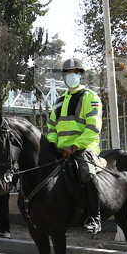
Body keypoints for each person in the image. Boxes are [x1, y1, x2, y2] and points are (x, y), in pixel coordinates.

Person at [47, 57, 104, 234]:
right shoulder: (59, 100)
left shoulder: (90, 97)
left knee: (86, 172)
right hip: (60, 149)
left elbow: (93, 127)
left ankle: (95, 218)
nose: (71, 76)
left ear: (81, 76)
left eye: (75, 73)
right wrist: (53, 144)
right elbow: (51, 127)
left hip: (83, 148)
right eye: (68, 73)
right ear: (63, 77)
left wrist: (74, 147)